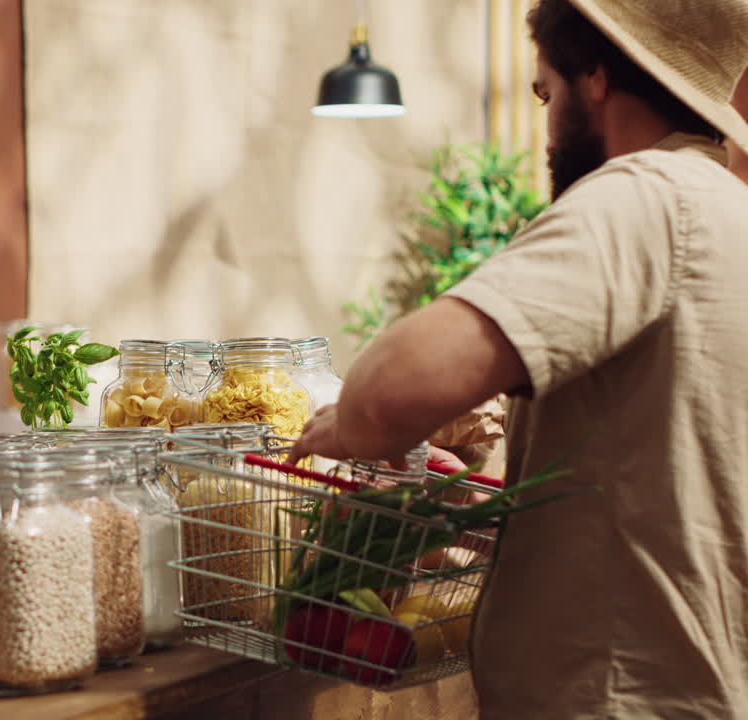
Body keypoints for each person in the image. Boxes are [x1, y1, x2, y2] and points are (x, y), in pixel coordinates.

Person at [287, 0, 748, 717]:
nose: (544, 123)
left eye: (545, 92)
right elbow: (674, 486)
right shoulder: (729, 211)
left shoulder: (644, 199)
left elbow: (387, 395)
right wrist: (502, 509)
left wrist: (348, 425)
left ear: (594, 76)